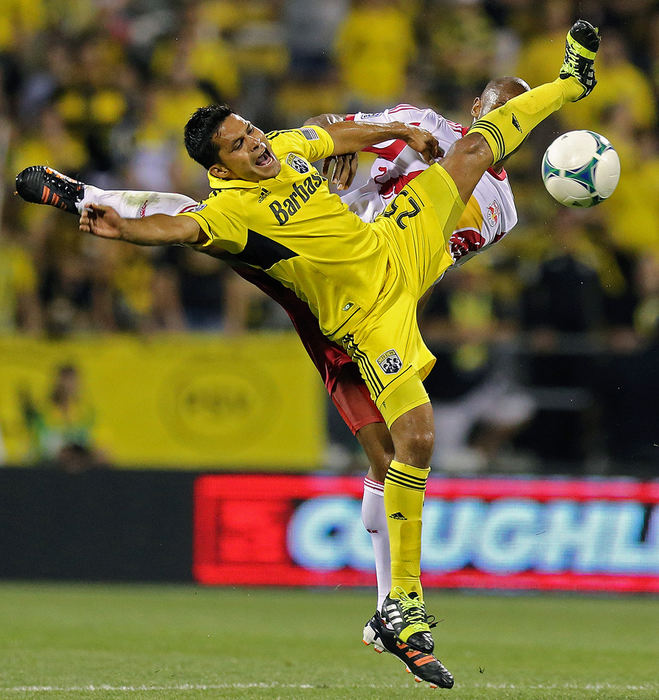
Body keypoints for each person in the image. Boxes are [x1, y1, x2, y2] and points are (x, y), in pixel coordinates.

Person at [15, 20, 601, 688]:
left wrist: (398, 137)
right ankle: (400, 604)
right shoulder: (229, 212)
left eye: (251, 131)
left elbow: (329, 133)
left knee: (468, 155)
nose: (255, 144)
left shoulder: (295, 147)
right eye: (239, 144)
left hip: (399, 248)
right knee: (411, 438)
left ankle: (569, 82)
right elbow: (178, 224)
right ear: (220, 166)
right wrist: (115, 224)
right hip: (363, 316)